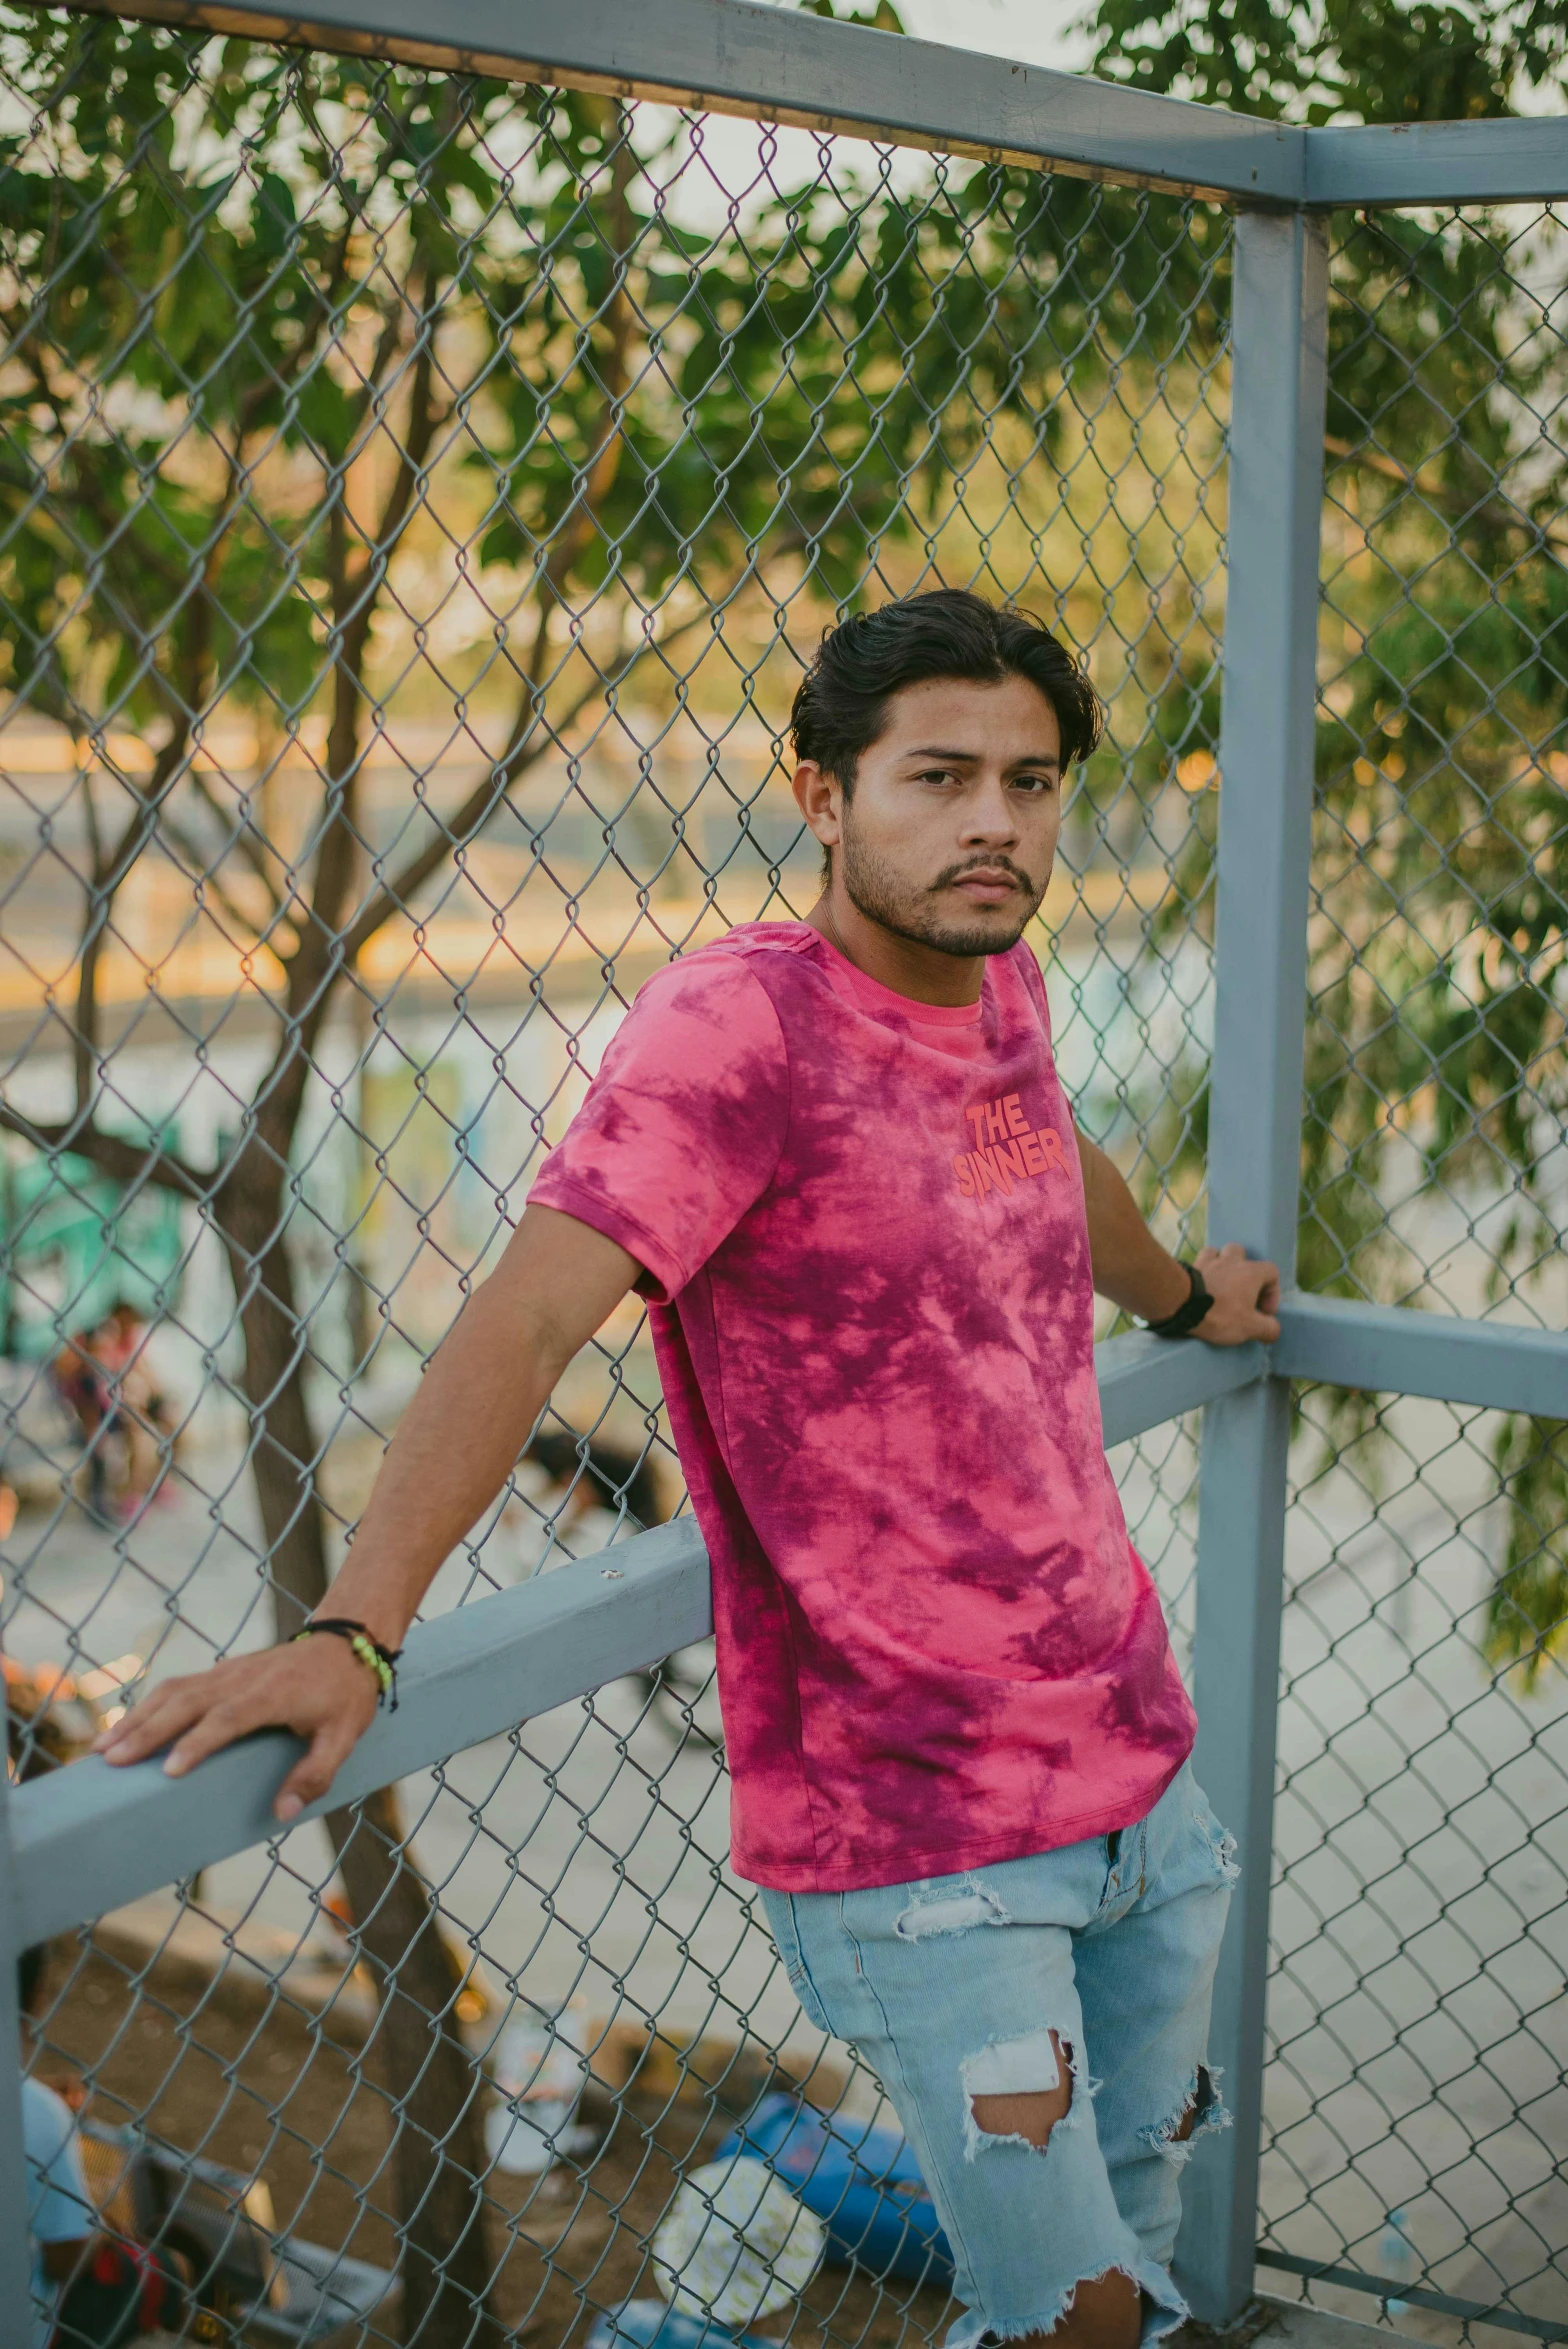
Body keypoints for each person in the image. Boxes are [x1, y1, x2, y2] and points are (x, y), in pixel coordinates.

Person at [96, 591, 1281, 2349]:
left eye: (1027, 783)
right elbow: (521, 1318)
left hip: (1136, 1777)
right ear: (818, 791)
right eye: (938, 776)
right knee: (1069, 2312)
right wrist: (351, 1628)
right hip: (928, 1838)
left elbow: (1046, 1144)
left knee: (1149, 2245)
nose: (992, 824)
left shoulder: (1000, 973)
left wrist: (1184, 1292)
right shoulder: (737, 1033)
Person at [18, 1943, 95, 2346]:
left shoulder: (32, 2107)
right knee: (170, 2270)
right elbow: (66, 2256)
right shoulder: (37, 2113)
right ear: (35, 2000)